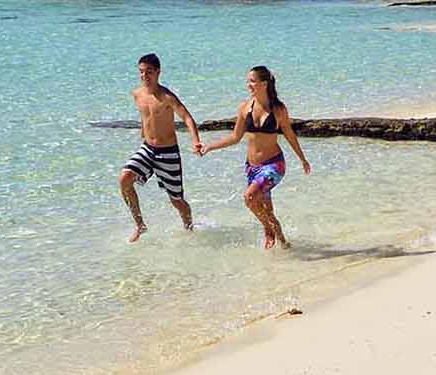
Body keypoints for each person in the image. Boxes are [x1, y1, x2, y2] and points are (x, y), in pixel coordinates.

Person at [198, 65, 310, 249]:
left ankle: (268, 230)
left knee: (250, 197)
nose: (248, 85)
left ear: (264, 84)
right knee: (266, 208)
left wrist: (302, 159)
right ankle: (284, 245)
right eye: (248, 81)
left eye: (252, 81)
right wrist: (209, 146)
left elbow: (289, 134)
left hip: (274, 164)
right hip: (252, 167)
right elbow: (235, 137)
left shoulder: (278, 109)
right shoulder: (244, 108)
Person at [120, 52, 203, 242]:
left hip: (168, 153)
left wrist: (195, 140)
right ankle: (140, 225)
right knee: (125, 178)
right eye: (141, 72)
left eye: (149, 72)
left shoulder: (167, 96)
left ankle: (189, 228)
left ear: (158, 72)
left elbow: (187, 117)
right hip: (148, 149)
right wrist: (145, 133)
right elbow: (146, 117)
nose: (144, 76)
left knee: (176, 200)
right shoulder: (137, 94)